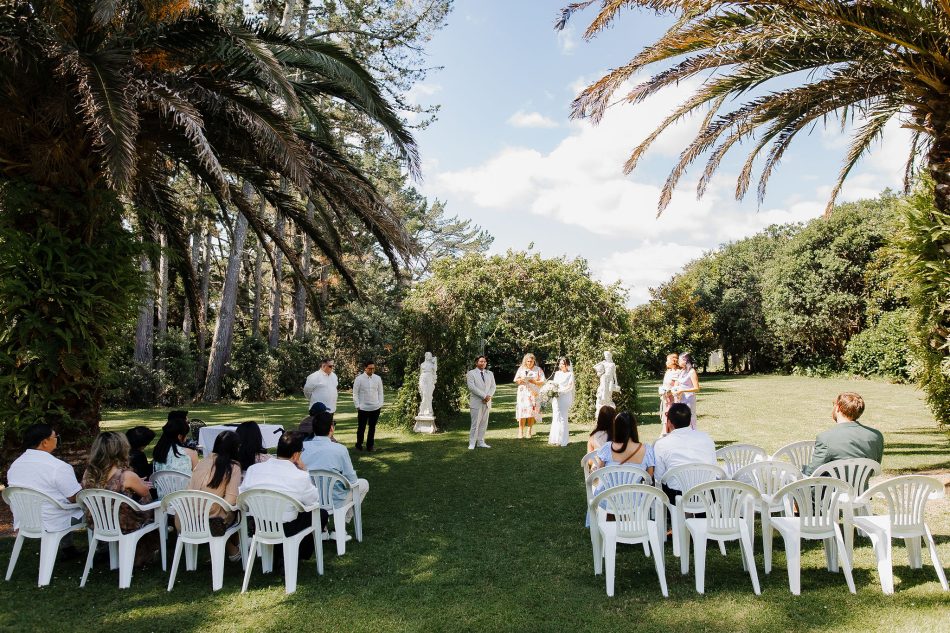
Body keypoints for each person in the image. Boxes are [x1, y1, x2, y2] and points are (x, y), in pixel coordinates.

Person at [240, 431, 322, 561]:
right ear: (296, 455)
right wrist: (304, 470)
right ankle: (295, 557)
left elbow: (242, 496)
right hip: (286, 527)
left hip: (259, 524)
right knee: (321, 514)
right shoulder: (300, 476)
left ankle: (278, 558)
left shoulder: (253, 470)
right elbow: (313, 500)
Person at [82, 432, 159, 566]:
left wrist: (134, 483)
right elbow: (144, 491)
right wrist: (138, 483)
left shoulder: (88, 472)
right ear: (121, 449)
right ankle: (144, 555)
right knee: (154, 507)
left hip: (98, 520)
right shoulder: (126, 475)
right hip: (125, 523)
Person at [7, 423, 83, 538]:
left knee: (57, 502)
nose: (57, 440)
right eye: (55, 437)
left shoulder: (15, 465)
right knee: (97, 511)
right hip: (53, 521)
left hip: (25, 520)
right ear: (45, 442)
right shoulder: (58, 467)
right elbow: (76, 498)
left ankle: (67, 548)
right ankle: (102, 550)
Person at [301, 411, 369, 528]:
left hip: (310, 499)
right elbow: (352, 480)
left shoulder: (302, 447)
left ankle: (324, 527)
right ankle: (341, 524)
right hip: (335, 501)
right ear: (331, 428)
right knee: (363, 484)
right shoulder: (340, 449)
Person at [187, 430, 242, 561]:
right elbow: (230, 501)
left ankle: (227, 548)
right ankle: (234, 550)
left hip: (188, 517)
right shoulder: (233, 467)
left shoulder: (202, 463)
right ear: (235, 448)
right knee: (239, 510)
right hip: (211, 519)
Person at [803, 392, 884, 476]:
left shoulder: (826, 438)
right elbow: (874, 470)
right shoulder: (876, 435)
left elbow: (812, 474)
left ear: (838, 408)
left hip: (832, 488)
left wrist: (803, 470)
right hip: (861, 489)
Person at [653, 403, 717, 502]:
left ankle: (674, 516)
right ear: (690, 420)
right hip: (706, 495)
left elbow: (659, 476)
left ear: (669, 422)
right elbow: (714, 467)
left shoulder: (661, 444)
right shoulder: (706, 438)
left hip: (678, 497)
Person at [594, 412, 655, 476]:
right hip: (635, 486)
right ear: (634, 428)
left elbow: (599, 474)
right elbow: (649, 478)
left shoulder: (607, 448)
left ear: (616, 428)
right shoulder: (647, 450)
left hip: (609, 486)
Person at [152, 411, 199, 475]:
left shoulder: (159, 450)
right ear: (179, 436)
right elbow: (197, 476)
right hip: (185, 484)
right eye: (186, 435)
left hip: (162, 484)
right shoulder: (190, 453)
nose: (186, 437)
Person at [353, 360, 385, 452]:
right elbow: (355, 393)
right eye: (370, 368)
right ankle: (359, 445)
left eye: (373, 368)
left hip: (375, 407)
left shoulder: (377, 378)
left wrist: (380, 404)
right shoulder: (359, 379)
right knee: (361, 427)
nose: (372, 370)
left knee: (372, 427)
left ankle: (370, 446)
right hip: (363, 408)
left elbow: (380, 392)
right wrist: (357, 405)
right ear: (365, 368)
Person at [466, 355, 497, 449]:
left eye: (484, 361)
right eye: (480, 361)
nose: (482, 363)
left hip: (487, 402)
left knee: (484, 423)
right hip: (477, 402)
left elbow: (493, 386)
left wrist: (489, 396)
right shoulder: (471, 373)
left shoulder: (490, 373)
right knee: (475, 424)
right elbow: (472, 387)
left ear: (486, 363)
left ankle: (481, 442)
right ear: (476, 363)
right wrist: (484, 396)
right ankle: (472, 443)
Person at [514, 353, 545, 439]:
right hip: (523, 393)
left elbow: (542, 381)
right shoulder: (521, 369)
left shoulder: (538, 369)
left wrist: (534, 382)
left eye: (531, 361)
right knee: (522, 411)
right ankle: (520, 431)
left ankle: (529, 431)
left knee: (532, 411)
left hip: (533, 393)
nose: (529, 363)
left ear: (534, 361)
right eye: (528, 361)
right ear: (525, 361)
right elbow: (516, 380)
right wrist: (521, 379)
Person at [548, 356, 575, 447]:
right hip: (556, 397)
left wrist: (562, 392)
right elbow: (554, 384)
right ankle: (555, 439)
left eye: (563, 363)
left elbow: (570, 386)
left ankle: (563, 440)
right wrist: (553, 390)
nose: (561, 365)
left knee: (563, 417)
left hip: (564, 396)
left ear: (567, 365)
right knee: (556, 416)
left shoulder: (570, 374)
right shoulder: (557, 373)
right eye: (560, 363)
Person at [673, 352, 700, 429]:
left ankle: (693, 433)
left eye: (680, 360)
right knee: (681, 418)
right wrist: (674, 390)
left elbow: (697, 388)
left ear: (685, 360)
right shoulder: (681, 371)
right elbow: (677, 384)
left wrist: (682, 390)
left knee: (690, 417)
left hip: (689, 399)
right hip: (680, 399)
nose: (678, 362)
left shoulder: (692, 372)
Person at [659, 353, 679, 436]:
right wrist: (662, 391)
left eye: (667, 360)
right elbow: (664, 384)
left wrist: (668, 392)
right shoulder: (668, 372)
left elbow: (676, 387)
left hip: (673, 400)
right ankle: (665, 434)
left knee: (671, 419)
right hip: (666, 399)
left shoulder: (678, 372)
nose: (666, 362)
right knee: (665, 418)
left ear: (673, 361)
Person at [417, 352, 438, 417]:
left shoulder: (432, 365)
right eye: (428, 355)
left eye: (430, 355)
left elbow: (435, 370)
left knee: (428, 395)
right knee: (424, 394)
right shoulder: (422, 364)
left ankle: (427, 410)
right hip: (423, 379)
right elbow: (421, 373)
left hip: (429, 379)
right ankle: (423, 410)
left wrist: (435, 361)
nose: (429, 356)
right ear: (425, 356)